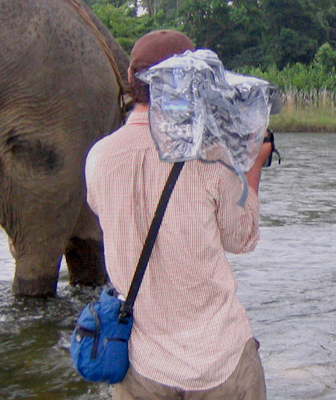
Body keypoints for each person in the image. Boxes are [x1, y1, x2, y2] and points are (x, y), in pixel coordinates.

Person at [85, 30, 272, 399]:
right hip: (220, 363)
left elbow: (100, 211)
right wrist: (254, 165)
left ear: (130, 79)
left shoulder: (98, 157)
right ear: (193, 78)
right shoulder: (212, 157)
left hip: (141, 365)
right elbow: (243, 237)